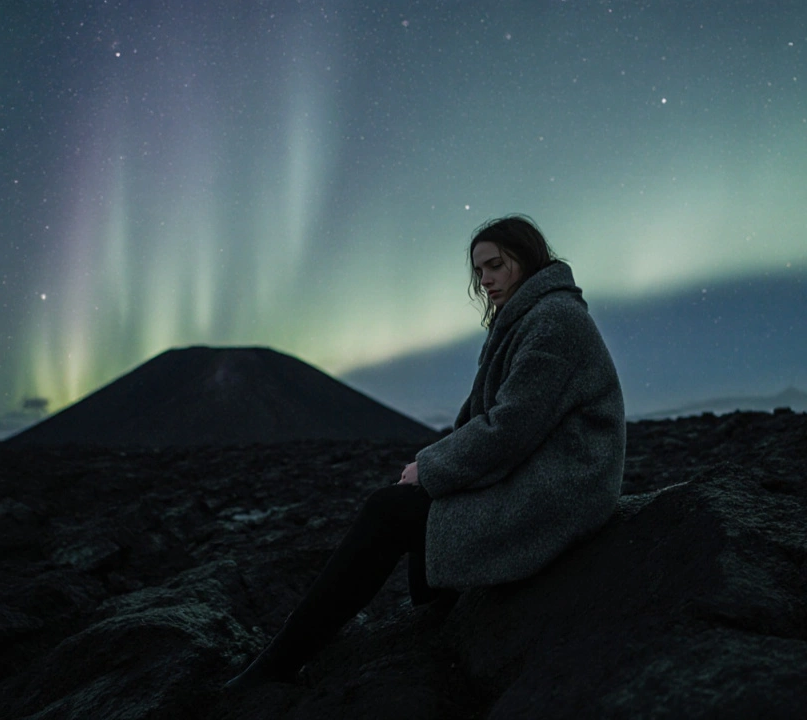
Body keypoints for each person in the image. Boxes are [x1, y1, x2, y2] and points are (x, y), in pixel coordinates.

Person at [224, 214, 626, 690]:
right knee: (425, 508)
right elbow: (482, 417)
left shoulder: (554, 321)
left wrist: (431, 469)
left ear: (528, 257)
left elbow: (510, 427)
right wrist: (430, 470)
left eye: (496, 265)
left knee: (389, 513)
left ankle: (281, 661)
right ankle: (436, 638)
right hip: (537, 473)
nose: (486, 280)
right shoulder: (527, 318)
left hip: (562, 485)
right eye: (479, 271)